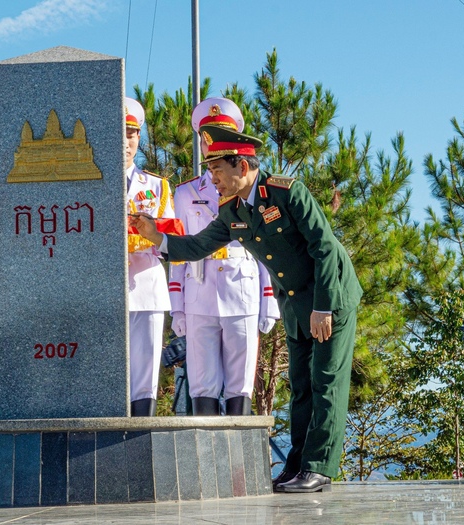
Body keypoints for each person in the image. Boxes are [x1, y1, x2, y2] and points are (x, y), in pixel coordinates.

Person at [130, 125, 362, 492]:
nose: (213, 180)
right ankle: (297, 465)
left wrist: (325, 308)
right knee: (301, 385)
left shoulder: (288, 193)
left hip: (328, 298)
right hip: (296, 302)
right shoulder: (232, 210)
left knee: (326, 381)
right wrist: (156, 236)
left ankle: (320, 467)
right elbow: (197, 246)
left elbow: (325, 249)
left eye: (217, 171)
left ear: (241, 166)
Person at [169, 97, 279, 416]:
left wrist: (268, 298)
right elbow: (179, 249)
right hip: (198, 294)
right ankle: (204, 457)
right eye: (207, 136)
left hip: (242, 291)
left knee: (240, 383)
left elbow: (264, 248)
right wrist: (177, 306)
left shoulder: (252, 188)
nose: (212, 142)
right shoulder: (186, 193)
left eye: (220, 134)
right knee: (202, 384)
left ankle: (239, 458)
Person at [125, 96, 175, 417]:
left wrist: (142, 237)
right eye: (117, 133)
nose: (124, 142)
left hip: (146, 291)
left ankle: (140, 444)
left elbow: (172, 240)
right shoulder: (87, 187)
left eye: (130, 134)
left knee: (144, 383)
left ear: (138, 137)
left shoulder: (156, 187)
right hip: (102, 297)